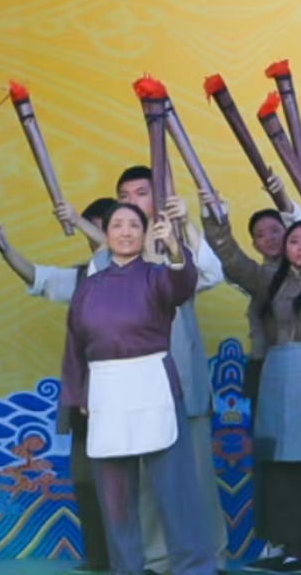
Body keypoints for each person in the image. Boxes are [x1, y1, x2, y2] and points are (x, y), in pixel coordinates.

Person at [62, 197, 219, 575]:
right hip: (105, 391)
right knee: (115, 496)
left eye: (134, 225)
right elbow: (74, 344)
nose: (126, 232)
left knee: (175, 488)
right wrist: (78, 393)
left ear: (145, 233)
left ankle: (194, 568)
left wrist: (176, 249)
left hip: (154, 385)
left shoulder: (157, 276)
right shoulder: (88, 287)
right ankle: (126, 568)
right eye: (117, 225)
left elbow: (183, 283)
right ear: (106, 234)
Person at [0, 197, 116, 572]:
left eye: (103, 229)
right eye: (93, 229)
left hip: (126, 394)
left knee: (127, 480)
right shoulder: (82, 278)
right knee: (86, 478)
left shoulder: (145, 277)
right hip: (85, 394)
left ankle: (135, 557)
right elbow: (37, 277)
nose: (98, 238)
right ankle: (99, 557)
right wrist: (3, 247)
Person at [209, 208, 301, 571]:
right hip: (277, 376)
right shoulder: (266, 280)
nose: (300, 247)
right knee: (281, 466)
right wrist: (213, 216)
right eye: (294, 241)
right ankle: (292, 549)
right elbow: (232, 260)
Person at [114, 166, 228, 570]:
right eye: (125, 196)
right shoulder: (113, 254)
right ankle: (157, 560)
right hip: (135, 386)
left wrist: (186, 224)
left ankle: (211, 558)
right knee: (145, 480)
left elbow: (212, 274)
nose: (132, 202)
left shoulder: (176, 247)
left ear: (159, 197)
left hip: (183, 381)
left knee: (195, 479)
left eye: (141, 193)